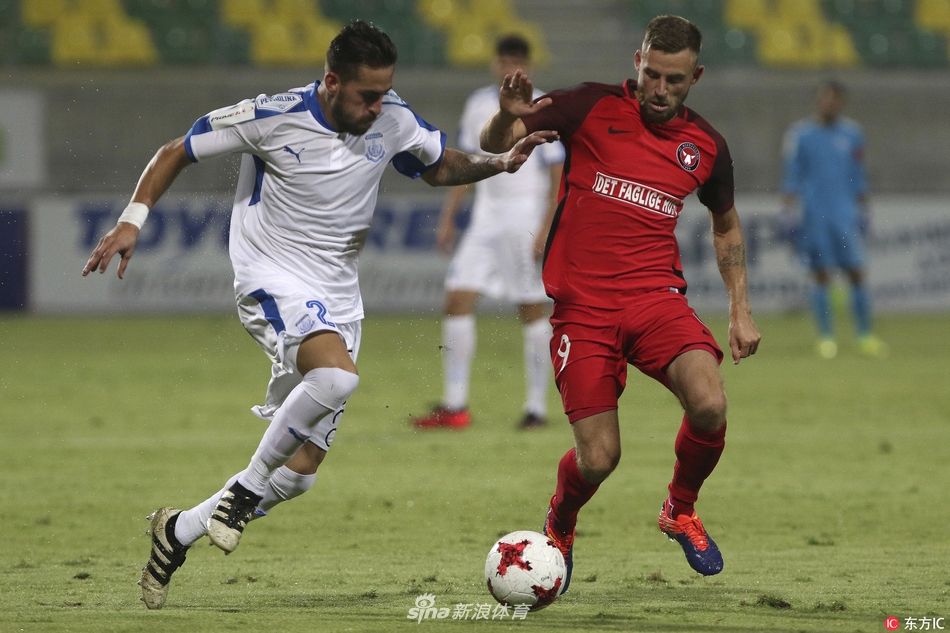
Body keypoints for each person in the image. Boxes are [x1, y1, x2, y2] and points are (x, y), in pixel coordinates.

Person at [81, 20, 556, 610]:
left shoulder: (391, 117)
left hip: (339, 296)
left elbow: (438, 165)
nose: (378, 105)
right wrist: (133, 220)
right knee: (334, 378)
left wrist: (499, 162)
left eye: (385, 92)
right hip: (270, 278)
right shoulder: (273, 116)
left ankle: (177, 531)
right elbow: (177, 150)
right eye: (367, 94)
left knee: (301, 470)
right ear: (331, 81)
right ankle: (242, 492)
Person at [480, 15, 761, 589]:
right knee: (600, 458)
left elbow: (726, 225)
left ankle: (679, 509)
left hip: (655, 298)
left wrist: (739, 309)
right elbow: (496, 146)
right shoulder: (588, 106)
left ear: (695, 77)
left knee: (709, 402)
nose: (659, 89)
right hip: (583, 310)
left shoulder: (706, 146)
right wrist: (509, 113)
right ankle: (561, 520)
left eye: (674, 81)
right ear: (637, 61)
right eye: (652, 74)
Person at [412, 35, 564, 431]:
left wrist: (547, 226)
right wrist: (449, 217)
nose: (510, 67)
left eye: (517, 60)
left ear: (529, 65)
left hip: (524, 215)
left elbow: (557, 173)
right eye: (504, 60)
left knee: (531, 309)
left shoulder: (543, 104)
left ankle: (536, 408)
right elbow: (465, 163)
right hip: (485, 217)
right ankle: (456, 404)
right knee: (456, 299)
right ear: (495, 64)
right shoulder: (479, 103)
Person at [781, 80, 885, 359]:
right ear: (818, 101)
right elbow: (792, 176)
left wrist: (864, 210)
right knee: (821, 276)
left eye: (835, 99)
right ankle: (826, 339)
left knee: (857, 273)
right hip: (815, 215)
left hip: (846, 214)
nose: (830, 104)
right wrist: (789, 214)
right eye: (825, 98)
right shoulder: (800, 135)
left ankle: (865, 336)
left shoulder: (852, 134)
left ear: (841, 103)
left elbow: (858, 174)